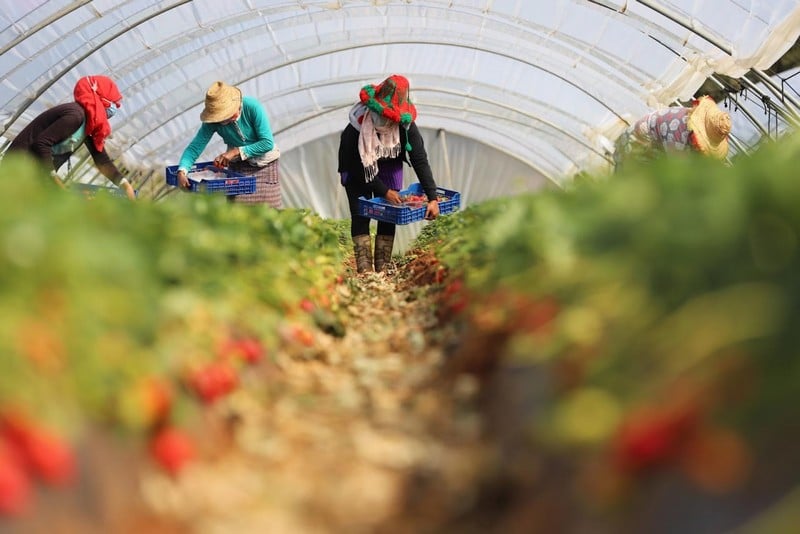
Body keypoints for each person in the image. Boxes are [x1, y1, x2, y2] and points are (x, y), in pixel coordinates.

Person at [338, 74, 440, 274]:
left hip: (389, 165)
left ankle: (383, 269)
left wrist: (433, 197)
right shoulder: (357, 125)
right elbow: (358, 165)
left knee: (388, 215)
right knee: (360, 214)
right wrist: (383, 191)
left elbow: (419, 159)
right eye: (384, 116)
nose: (386, 121)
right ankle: (365, 272)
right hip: (358, 166)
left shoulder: (405, 125)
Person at [7, 75, 136, 200]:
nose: (115, 107)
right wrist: (55, 180)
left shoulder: (90, 124)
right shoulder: (75, 116)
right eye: (113, 102)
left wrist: (125, 184)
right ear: (100, 98)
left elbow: (101, 160)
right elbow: (41, 144)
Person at [175, 81, 281, 207]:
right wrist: (182, 171)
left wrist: (235, 151)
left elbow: (267, 143)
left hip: (264, 166)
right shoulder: (213, 122)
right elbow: (194, 148)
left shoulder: (252, 107)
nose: (226, 118)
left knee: (267, 212)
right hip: (238, 168)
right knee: (237, 212)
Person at [613, 95, 732, 171]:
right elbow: (679, 172)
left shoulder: (690, 118)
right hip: (635, 145)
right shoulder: (676, 133)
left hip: (655, 144)